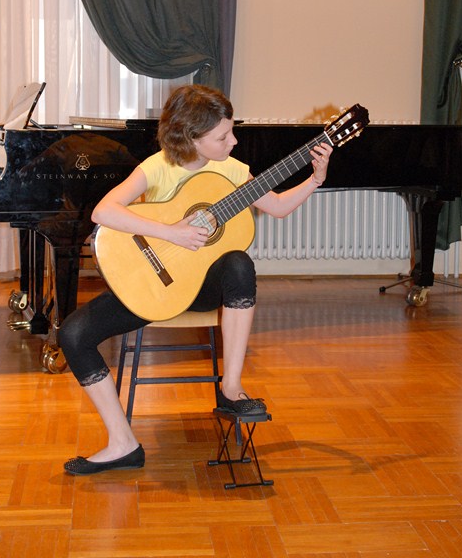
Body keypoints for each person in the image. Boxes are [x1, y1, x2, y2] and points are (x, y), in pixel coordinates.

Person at [59, 84, 332, 475]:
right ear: (191, 138)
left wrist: (314, 179)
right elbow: (104, 212)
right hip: (157, 286)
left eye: (232, 131)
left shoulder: (234, 171)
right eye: (223, 136)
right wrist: (171, 232)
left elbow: (277, 207)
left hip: (204, 288)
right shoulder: (157, 167)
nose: (233, 141)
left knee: (238, 262)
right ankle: (122, 443)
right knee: (73, 335)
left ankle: (231, 388)